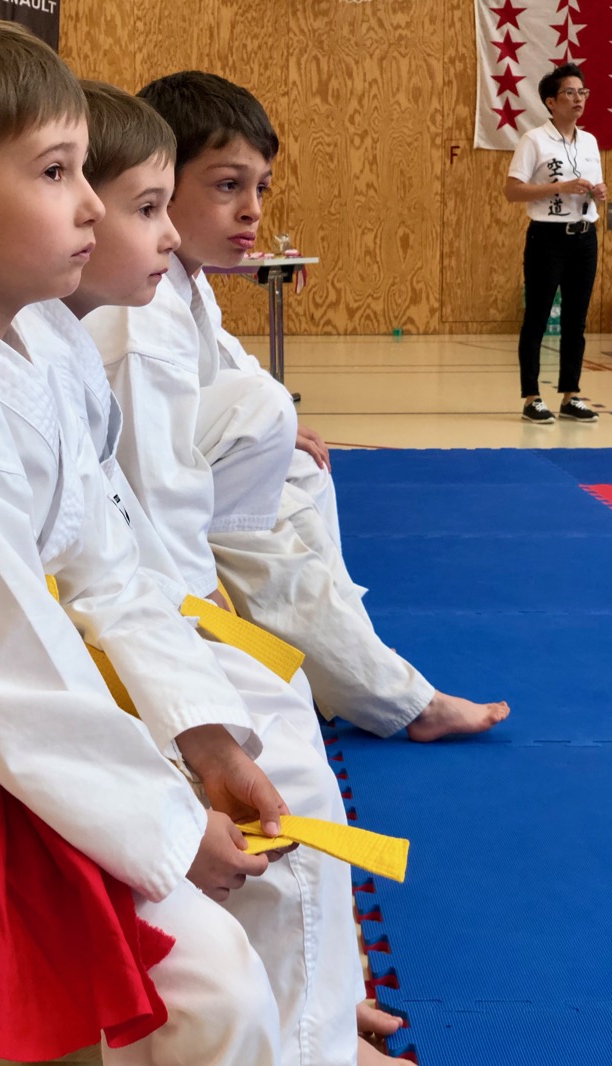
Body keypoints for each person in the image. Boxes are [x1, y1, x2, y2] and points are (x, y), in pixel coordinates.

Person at [0, 21, 303, 1066]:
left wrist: (202, 737)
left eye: (85, 168)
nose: (90, 204)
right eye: (54, 172)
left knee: (269, 813)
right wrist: (167, 829)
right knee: (209, 979)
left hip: (28, 715)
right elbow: (11, 683)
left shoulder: (38, 336)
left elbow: (107, 565)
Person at [15, 78, 402, 1066]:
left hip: (133, 613)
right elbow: (31, 619)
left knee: (286, 727)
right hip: (65, 666)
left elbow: (116, 544)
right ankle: (310, 1034)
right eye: (141, 205)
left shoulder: (103, 323)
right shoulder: (113, 334)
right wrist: (191, 707)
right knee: (291, 783)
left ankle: (318, 1002)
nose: (108, 221)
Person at [83, 70, 510, 743]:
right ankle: (399, 698)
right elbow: (150, 487)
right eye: (228, 186)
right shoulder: (139, 317)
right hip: (138, 517)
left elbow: (230, 364)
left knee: (300, 463)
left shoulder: (182, 282)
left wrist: (280, 430)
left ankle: (352, 662)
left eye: (261, 189)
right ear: (160, 185)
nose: (252, 210)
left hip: (183, 474)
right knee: (272, 539)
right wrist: (196, 607)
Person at [505, 62, 607, 424]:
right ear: (551, 101)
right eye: (570, 92)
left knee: (576, 322)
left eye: (583, 92)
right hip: (547, 238)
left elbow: (593, 191)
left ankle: (570, 395)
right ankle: (532, 397)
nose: (578, 99)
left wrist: (599, 193)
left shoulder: (590, 141)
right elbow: (512, 191)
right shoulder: (534, 140)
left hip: (584, 238)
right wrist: (559, 187)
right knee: (536, 317)